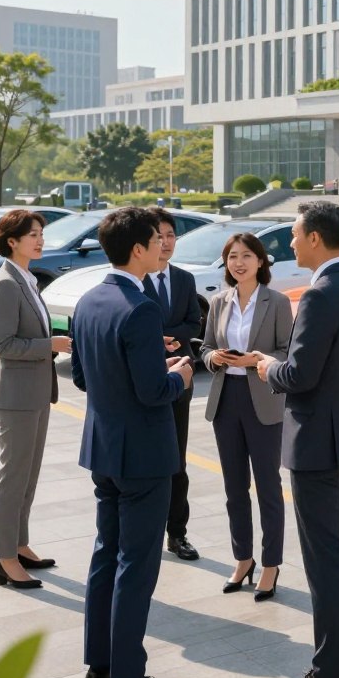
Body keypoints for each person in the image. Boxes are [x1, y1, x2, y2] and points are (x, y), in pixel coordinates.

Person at [254, 201, 339, 678]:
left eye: (296, 234)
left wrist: (267, 368)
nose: (291, 241)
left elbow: (300, 375)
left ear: (317, 238)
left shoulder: (320, 295)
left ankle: (327, 675)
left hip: (316, 446)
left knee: (324, 557)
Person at [71, 207, 193, 678]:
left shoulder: (88, 299)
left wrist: (148, 366)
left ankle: (99, 667)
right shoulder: (140, 307)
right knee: (135, 566)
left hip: (104, 446)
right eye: (155, 241)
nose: (162, 248)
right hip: (142, 453)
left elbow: (82, 376)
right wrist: (179, 376)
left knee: (107, 554)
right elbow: (151, 391)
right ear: (137, 250)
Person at [201, 232, 293, 602]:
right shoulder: (218, 301)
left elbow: (287, 350)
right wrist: (214, 359)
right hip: (227, 399)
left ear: (260, 261)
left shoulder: (278, 302)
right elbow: (205, 347)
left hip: (263, 398)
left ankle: (271, 565)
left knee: (268, 487)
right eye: (232, 257)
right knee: (234, 488)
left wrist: (256, 359)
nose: (238, 263)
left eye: (246, 256)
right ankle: (243, 558)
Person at [0, 210, 72, 590]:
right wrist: (48, 346)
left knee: (28, 477)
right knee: (13, 478)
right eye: (32, 235)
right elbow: (2, 346)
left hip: (34, 392)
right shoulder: (4, 284)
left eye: (40, 233)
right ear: (12, 241)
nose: (39, 240)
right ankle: (5, 560)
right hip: (16, 396)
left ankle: (19, 545)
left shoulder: (27, 279)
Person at [144, 208, 202, 562]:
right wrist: (156, 339)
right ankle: (147, 529)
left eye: (170, 236)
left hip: (180, 375)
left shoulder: (184, 279)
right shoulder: (137, 279)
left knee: (177, 458)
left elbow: (194, 323)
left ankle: (177, 533)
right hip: (148, 379)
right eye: (158, 236)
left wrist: (167, 336)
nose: (165, 243)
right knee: (148, 458)